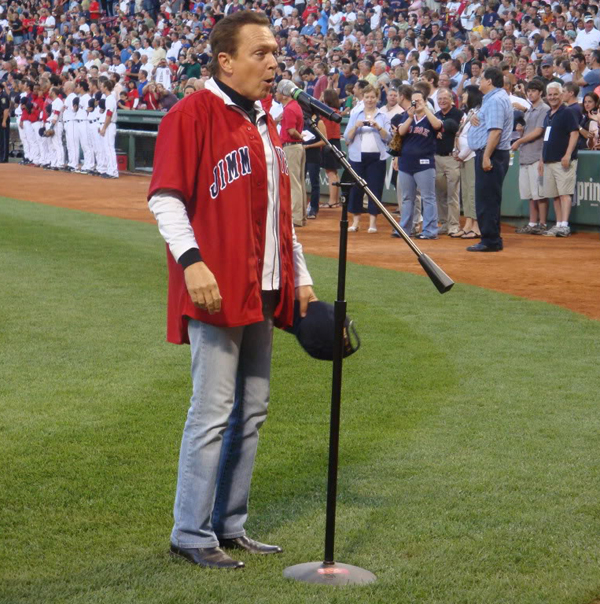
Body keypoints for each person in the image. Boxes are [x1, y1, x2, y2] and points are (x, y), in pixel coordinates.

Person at [147, 10, 315, 570]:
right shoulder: (190, 114)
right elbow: (165, 197)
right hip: (217, 287)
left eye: (274, 52)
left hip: (263, 285)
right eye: (261, 53)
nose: (273, 62)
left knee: (253, 410)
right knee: (213, 409)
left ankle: (230, 524)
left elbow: (280, 214)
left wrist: (303, 276)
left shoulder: (268, 119)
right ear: (226, 61)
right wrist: (191, 261)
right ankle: (190, 533)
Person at [466, 66, 513, 252]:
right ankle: (492, 238)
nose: (479, 81)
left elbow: (495, 131)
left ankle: (490, 240)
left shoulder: (495, 100)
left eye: (482, 78)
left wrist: (486, 156)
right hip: (491, 152)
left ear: (490, 81)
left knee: (487, 199)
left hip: (491, 153)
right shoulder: (494, 99)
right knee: (488, 198)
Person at [393, 88, 443, 240]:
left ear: (426, 101)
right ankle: (405, 229)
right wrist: (409, 116)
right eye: (414, 101)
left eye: (419, 100)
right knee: (407, 198)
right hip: (406, 163)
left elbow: (437, 125)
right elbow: (400, 133)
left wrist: (425, 109)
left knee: (428, 198)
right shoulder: (406, 117)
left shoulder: (430, 116)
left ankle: (430, 231)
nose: (417, 103)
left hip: (425, 163)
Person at [343, 84, 391, 233]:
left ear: (377, 98)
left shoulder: (383, 116)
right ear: (362, 98)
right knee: (356, 190)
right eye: (367, 97)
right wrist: (355, 127)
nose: (369, 100)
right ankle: (356, 222)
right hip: (357, 157)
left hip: (377, 157)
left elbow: (389, 138)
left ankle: (373, 223)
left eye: (372, 97)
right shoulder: (356, 115)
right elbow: (346, 138)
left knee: (374, 189)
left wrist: (378, 127)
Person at [538, 82, 579, 237]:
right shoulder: (548, 115)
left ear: (562, 95)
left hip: (563, 161)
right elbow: (545, 139)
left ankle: (564, 225)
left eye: (556, 94)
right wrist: (542, 159)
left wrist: (568, 154)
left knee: (565, 194)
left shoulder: (567, 112)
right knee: (554, 195)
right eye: (550, 95)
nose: (553, 97)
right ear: (546, 96)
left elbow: (574, 133)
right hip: (549, 161)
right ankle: (558, 224)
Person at [511, 79, 549, 235]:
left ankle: (543, 224)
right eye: (529, 91)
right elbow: (529, 131)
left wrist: (519, 140)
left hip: (537, 155)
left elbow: (539, 131)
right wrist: (520, 132)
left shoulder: (544, 109)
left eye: (534, 90)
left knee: (540, 193)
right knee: (530, 194)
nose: (531, 93)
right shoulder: (529, 111)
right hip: (526, 155)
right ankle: (533, 224)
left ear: (540, 92)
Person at [453, 85, 482, 239]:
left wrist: (462, 154)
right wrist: (457, 152)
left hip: (471, 156)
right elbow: (460, 134)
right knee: (466, 192)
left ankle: (476, 226)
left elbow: (474, 137)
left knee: (472, 191)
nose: (463, 95)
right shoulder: (468, 113)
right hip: (464, 156)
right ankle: (468, 224)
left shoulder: (477, 113)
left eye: (465, 92)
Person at [276, 79, 306, 227]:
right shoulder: (295, 106)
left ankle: (295, 217)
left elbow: (291, 131)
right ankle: (300, 216)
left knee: (293, 183)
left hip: (291, 146)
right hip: (296, 146)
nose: (276, 93)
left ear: (284, 94)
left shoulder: (289, 108)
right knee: (298, 182)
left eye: (278, 91)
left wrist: (300, 136)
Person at [434, 87, 464, 236]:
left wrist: (442, 129)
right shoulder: (436, 115)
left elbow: (455, 127)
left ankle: (454, 225)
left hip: (452, 158)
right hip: (437, 157)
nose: (442, 101)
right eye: (439, 99)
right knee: (440, 194)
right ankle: (444, 223)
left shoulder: (458, 114)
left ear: (451, 100)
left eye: (445, 98)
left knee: (453, 193)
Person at [320, 88, 342, 209]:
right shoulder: (336, 111)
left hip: (329, 142)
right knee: (333, 172)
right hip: (334, 142)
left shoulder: (327, 111)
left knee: (331, 172)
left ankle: (333, 201)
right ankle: (334, 200)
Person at [303, 110, 327, 219]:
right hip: (301, 154)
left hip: (314, 155)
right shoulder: (301, 120)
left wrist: (309, 146)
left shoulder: (319, 122)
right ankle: (301, 207)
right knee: (300, 182)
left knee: (314, 183)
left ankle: (313, 209)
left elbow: (324, 141)